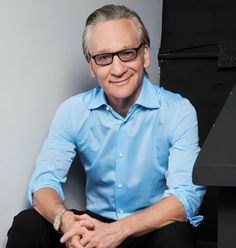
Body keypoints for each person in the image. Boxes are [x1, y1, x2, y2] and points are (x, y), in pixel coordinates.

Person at [6, 4, 205, 248]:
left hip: (149, 228)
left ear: (145, 55)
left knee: (176, 237)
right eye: (104, 58)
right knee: (28, 223)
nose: (118, 69)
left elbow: (185, 197)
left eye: (127, 53)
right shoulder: (73, 111)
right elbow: (43, 184)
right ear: (92, 66)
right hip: (92, 226)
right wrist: (66, 221)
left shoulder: (178, 111)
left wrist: (118, 231)